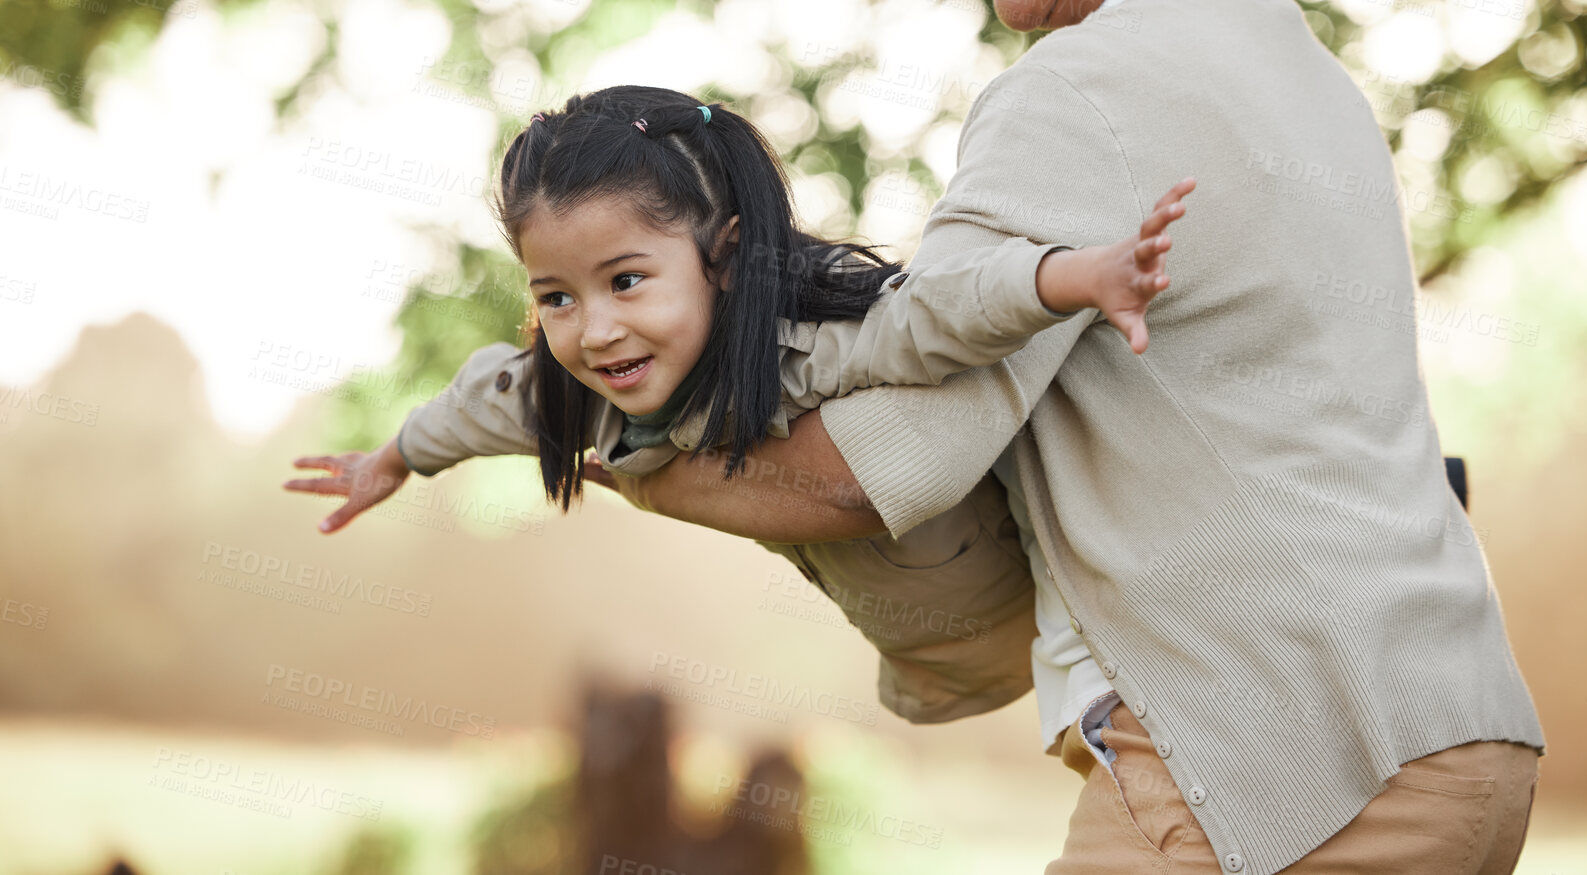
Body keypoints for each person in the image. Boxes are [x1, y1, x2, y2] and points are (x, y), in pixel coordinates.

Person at [583, 0, 1547, 875]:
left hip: (1271, 767)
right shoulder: (1310, 76)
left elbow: (887, 463)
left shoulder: (1075, 92)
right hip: (1463, 738)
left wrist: (622, 440)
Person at [286, 84, 1196, 722]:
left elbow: (933, 312)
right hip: (938, 646)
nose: (594, 329)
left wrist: (1075, 276)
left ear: (721, 257)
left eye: (627, 280)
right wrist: (393, 459)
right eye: (557, 295)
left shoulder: (812, 336)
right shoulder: (575, 393)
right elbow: (477, 401)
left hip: (1046, 589)